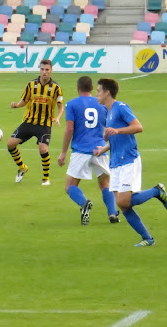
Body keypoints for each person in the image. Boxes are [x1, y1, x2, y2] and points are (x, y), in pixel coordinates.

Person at [93, 78, 167, 247]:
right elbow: (115, 138)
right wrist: (103, 149)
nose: (96, 93)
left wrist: (117, 130)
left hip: (128, 159)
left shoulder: (121, 108)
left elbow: (138, 127)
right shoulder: (109, 111)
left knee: (122, 202)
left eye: (98, 90)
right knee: (124, 205)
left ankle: (157, 192)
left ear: (107, 92)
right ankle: (148, 239)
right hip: (115, 162)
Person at [57, 76, 118, 225]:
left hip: (80, 151)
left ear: (78, 88)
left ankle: (84, 204)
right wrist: (104, 141)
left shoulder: (71, 104)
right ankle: (112, 213)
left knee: (70, 186)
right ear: (92, 89)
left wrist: (63, 152)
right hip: (100, 148)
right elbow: (109, 129)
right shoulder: (102, 104)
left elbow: (70, 128)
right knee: (105, 184)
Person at [7, 59, 64, 186]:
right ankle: (22, 167)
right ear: (40, 70)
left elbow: (61, 106)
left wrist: (58, 117)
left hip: (44, 124)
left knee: (43, 149)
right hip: (29, 122)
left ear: (51, 70)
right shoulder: (31, 84)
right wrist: (16, 105)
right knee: (10, 144)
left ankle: (46, 178)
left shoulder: (56, 88)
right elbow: (25, 100)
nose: (44, 72)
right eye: (42, 69)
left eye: (47, 70)